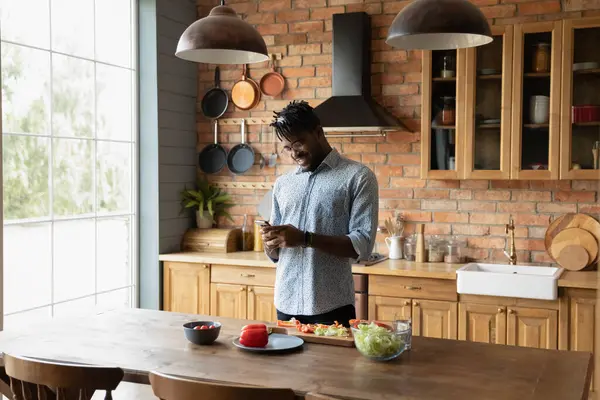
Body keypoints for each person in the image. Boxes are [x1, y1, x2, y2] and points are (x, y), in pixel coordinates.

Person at [261, 100, 379, 327]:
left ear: (318, 132)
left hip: (331, 307)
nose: (294, 154)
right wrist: (270, 241)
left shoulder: (358, 177)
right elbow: (275, 253)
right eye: (287, 148)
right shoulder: (282, 184)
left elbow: (362, 245)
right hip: (286, 304)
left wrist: (305, 239)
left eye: (298, 143)